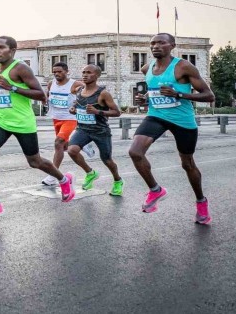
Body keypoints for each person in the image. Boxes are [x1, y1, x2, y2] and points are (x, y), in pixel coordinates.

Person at [0, 36, 75, 220]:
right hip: (0, 120)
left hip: (22, 122)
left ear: (12, 50)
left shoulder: (21, 68)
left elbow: (41, 95)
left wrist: (12, 88)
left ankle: (64, 179)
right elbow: (2, 93)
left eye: (1, 47)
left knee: (34, 161)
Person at [129, 33, 215, 224]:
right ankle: (155, 190)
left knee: (187, 164)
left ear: (172, 45)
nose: (155, 46)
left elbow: (209, 96)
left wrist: (179, 95)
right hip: (156, 116)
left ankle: (201, 201)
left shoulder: (183, 66)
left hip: (182, 120)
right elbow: (154, 92)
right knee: (135, 152)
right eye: (152, 43)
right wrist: (145, 99)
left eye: (161, 42)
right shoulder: (147, 68)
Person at [66, 65, 124, 195]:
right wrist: (73, 109)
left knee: (107, 160)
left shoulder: (103, 93)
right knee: (72, 150)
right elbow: (78, 103)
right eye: (84, 72)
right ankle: (90, 172)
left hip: (100, 131)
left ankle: (118, 180)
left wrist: (98, 111)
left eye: (89, 73)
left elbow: (117, 112)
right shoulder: (80, 90)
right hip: (83, 129)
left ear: (97, 76)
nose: (85, 75)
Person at [41, 62, 92, 187]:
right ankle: (90, 171)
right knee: (65, 148)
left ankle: (53, 175)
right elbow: (48, 96)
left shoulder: (74, 84)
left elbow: (89, 91)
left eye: (59, 71)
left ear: (66, 71)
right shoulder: (51, 83)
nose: (57, 74)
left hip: (70, 119)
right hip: (56, 118)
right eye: (54, 72)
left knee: (58, 143)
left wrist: (79, 95)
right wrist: (45, 100)